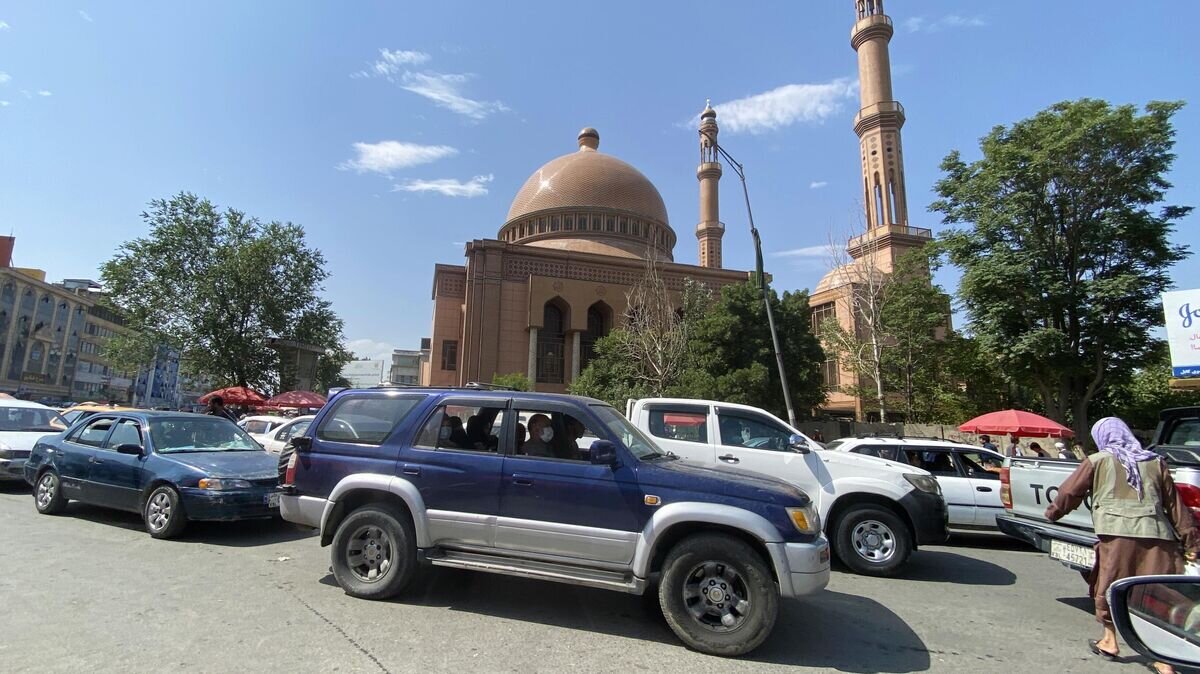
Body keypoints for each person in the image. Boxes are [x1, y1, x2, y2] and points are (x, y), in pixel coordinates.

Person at [1045, 417, 1197, 674]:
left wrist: (1053, 513)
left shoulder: (1097, 461)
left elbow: (1069, 493)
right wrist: (1191, 541)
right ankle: (1165, 658)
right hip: (1157, 536)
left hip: (1116, 537)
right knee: (1156, 593)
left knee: (1111, 585)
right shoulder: (1155, 462)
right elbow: (1174, 507)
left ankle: (1110, 641)